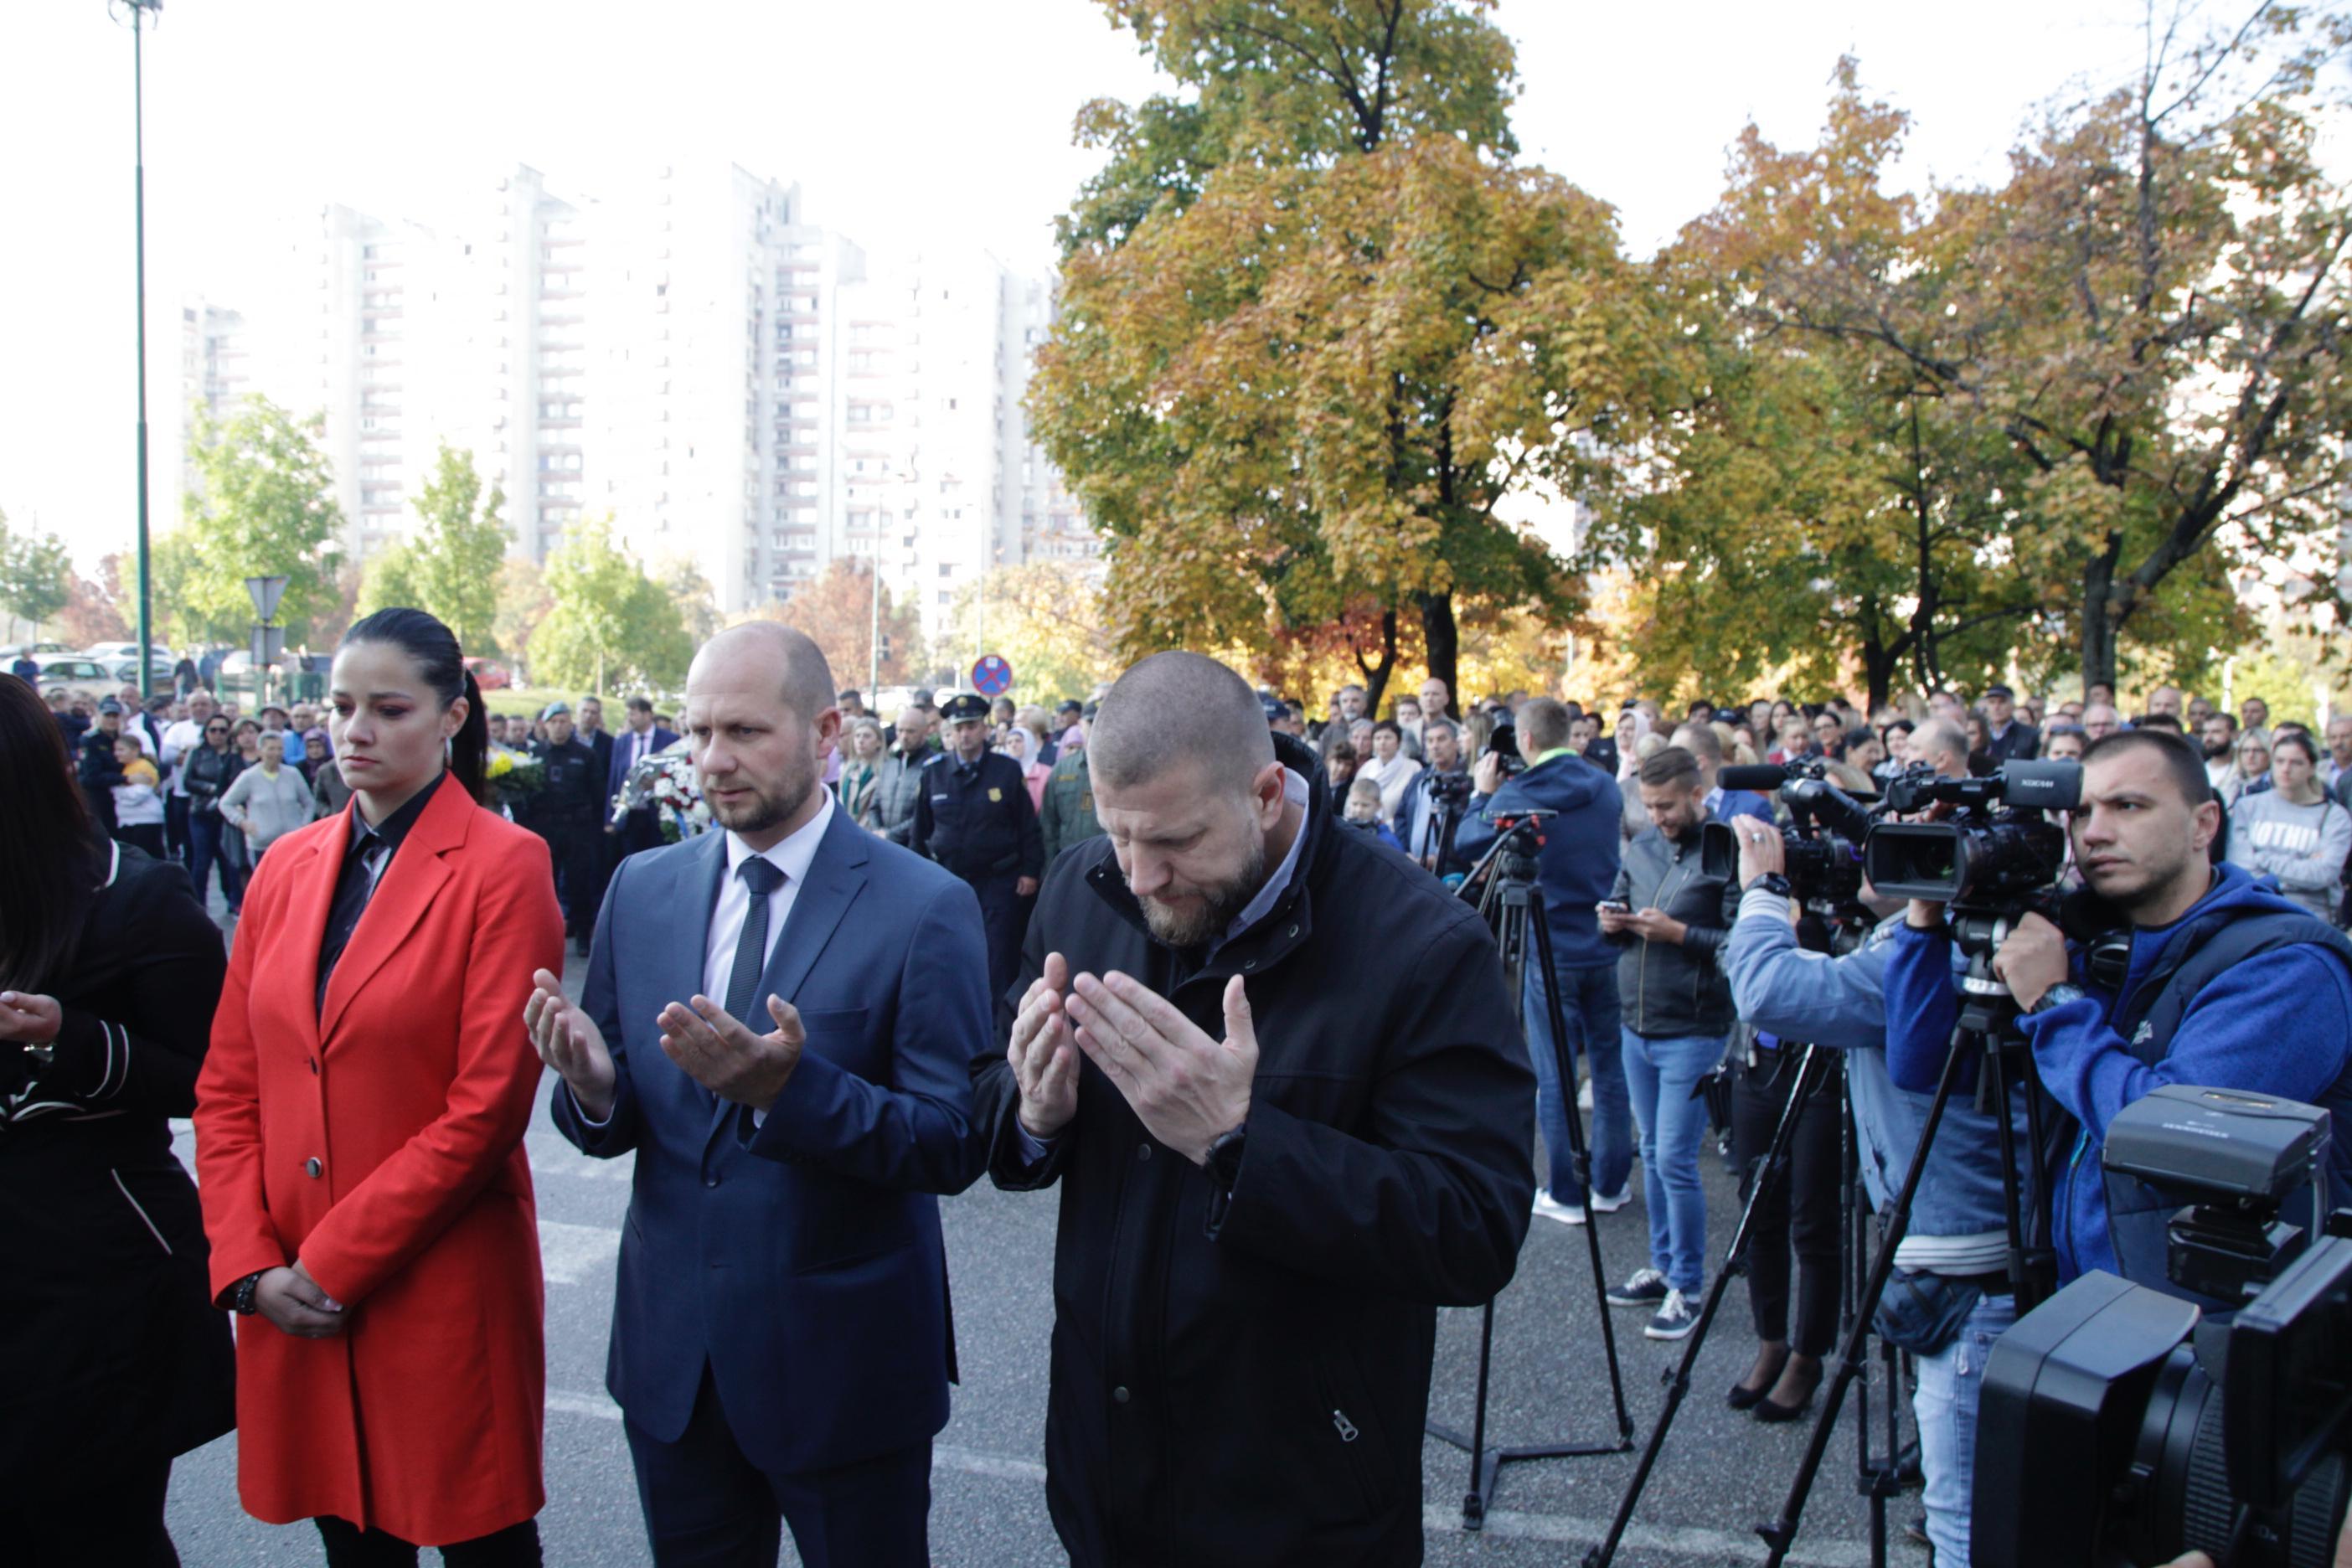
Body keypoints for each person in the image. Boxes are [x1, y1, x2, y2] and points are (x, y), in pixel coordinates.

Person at [972, 651, 1532, 1563]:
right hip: (1103, 1477)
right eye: (1120, 833)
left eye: (1177, 842)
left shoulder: (1423, 947)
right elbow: (994, 1102)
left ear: (1268, 793)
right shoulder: (1084, 890)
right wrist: (1035, 1113)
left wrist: (1241, 1143)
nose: (1142, 875)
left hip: (1302, 1506)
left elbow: (1474, 1228)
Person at [531, 622, 990, 1568]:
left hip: (847, 1375)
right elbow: (623, 1124)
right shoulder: (641, 889)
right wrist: (591, 1090)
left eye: (744, 731)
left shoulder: (924, 904)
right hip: (674, 1370)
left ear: (826, 733)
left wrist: (792, 1092)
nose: (712, 760)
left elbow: (952, 1141)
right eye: (697, 734)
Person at [194, 607, 565, 1565]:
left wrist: (327, 1263)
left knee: (481, 1538)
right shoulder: (284, 867)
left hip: (432, 1280)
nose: (354, 731)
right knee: (349, 1542)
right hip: (287, 1283)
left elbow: (486, 1109)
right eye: (340, 706)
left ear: (452, 716)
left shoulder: (503, 866)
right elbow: (230, 1086)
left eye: (388, 708)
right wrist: (247, 1264)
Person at [1884, 725, 2352, 1302]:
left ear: (2204, 824)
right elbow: (1922, 1069)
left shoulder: (2287, 967)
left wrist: (2054, 1003)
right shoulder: (2092, 942)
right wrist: (1923, 920)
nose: (2096, 832)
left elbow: (2175, 1146)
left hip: (2216, 1336)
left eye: (2128, 806)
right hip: (2090, 1310)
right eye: (2080, 813)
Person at [1723, 792, 2032, 1565]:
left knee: (1964, 1521)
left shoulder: (1923, 954)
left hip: (1963, 1266)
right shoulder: (2016, 933)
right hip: (1996, 1250)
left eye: (1901, 841)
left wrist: (1764, 891)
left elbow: (1768, 992)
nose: (1870, 850)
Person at [0, 676, 235, 1566]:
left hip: (99, 1283)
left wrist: (74, 1038)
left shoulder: (137, 900)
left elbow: (214, 1081)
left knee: (94, 1534)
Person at [1455, 697, 1632, 1223]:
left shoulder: (1518, 792)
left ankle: (1565, 1191)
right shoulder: (1604, 785)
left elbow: (1470, 842)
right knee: (1608, 1069)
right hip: (1606, 940)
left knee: (1555, 1071)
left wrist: (1481, 795)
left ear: (1526, 740)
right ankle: (1610, 1183)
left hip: (1548, 945)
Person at [1596, 747, 1741, 1342]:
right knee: (1652, 1151)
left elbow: (1741, 943)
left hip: (1694, 1025)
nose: (1658, 816)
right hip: (1637, 1018)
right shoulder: (1643, 844)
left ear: (1696, 794)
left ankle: (1689, 1283)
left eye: (1668, 805)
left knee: (1675, 1159)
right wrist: (1612, 921)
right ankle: (1663, 1265)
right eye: (1650, 806)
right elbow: (1618, 900)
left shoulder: (1724, 850)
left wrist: (1678, 933)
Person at [913, 693, 1044, 1003]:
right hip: (949, 880)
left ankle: (998, 1034)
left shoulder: (1006, 771)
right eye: (958, 728)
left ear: (985, 728)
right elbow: (921, 832)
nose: (965, 734)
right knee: (950, 954)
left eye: (971, 726)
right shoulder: (934, 773)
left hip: (998, 881)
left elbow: (1027, 826)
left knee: (997, 959)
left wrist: (1030, 871)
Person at [2229, 730, 2350, 924]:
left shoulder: (2334, 817)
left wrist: (2262, 857)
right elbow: (2240, 868)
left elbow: (2323, 874)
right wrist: (2300, 865)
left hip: (2310, 919)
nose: (2286, 769)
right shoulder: (2248, 807)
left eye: (2296, 762)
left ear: (2312, 768)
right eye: (2280, 761)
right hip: (2253, 912)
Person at [530, 701, 606, 957]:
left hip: (577, 828)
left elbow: (598, 794)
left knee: (579, 883)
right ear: (545, 725)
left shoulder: (586, 755)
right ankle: (543, 935)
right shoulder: (536, 755)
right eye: (554, 722)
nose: (559, 727)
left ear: (570, 724)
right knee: (544, 883)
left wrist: (594, 829)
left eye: (563, 721)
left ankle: (583, 935)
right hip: (545, 829)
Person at [218, 730, 317, 870]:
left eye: (279, 749)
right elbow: (226, 803)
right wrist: (242, 822)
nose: (276, 753)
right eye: (271, 749)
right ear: (260, 751)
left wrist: (304, 825)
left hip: (292, 842)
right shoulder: (249, 777)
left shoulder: (292, 774)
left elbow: (309, 802)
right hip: (262, 844)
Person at [183, 709, 248, 914]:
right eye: (213, 730)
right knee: (202, 860)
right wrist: (213, 789)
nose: (217, 734)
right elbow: (188, 781)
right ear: (206, 732)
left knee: (228, 860)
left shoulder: (234, 756)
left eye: (222, 730)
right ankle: (197, 903)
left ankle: (233, 900)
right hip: (202, 812)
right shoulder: (197, 753)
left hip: (226, 815)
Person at [1396, 717, 1470, 872]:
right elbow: (1401, 815)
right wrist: (1406, 852)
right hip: (1414, 864)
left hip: (1452, 869)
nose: (1435, 746)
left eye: (1441, 739)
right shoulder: (1419, 778)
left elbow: (1467, 826)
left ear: (1456, 743)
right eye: (1430, 741)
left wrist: (1442, 857)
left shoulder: (1467, 780)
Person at [609, 696, 681, 856]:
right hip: (630, 816)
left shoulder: (669, 740)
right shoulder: (622, 742)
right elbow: (614, 778)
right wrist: (610, 816)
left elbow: (677, 774)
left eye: (633, 713)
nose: (629, 718)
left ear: (648, 715)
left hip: (658, 815)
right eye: (628, 714)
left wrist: (658, 783)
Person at [158, 688, 218, 869]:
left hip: (216, 798)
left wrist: (188, 755)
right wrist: (195, 760)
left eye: (204, 704)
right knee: (190, 846)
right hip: (185, 796)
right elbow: (167, 755)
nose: (199, 708)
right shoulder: (178, 729)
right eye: (195, 704)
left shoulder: (219, 728)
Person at [1039, 705, 1104, 866]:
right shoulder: (1062, 768)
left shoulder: (1127, 768)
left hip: (1111, 865)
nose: (1097, 726)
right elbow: (1048, 824)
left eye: (1103, 720)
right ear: (1081, 725)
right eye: (1091, 722)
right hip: (1070, 863)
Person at [873, 704, 936, 846]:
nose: (904, 736)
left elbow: (926, 814)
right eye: (900, 731)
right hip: (883, 843)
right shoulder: (891, 763)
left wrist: (891, 835)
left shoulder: (934, 767)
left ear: (925, 732)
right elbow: (875, 805)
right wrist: (878, 831)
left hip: (913, 847)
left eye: (911, 731)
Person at [1356, 719, 1421, 827]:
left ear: (1399, 742)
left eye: (1388, 737)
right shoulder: (1367, 767)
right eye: (1378, 738)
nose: (1382, 742)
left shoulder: (1413, 767)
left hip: (1398, 828)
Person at [111, 733, 168, 856]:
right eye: (116, 750)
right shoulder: (126, 768)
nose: (117, 753)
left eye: (121, 750)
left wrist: (119, 791)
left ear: (135, 750)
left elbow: (138, 795)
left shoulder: (143, 766)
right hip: (129, 820)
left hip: (146, 819)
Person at [836, 714, 886, 827]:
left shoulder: (884, 771)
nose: (861, 740)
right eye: (857, 736)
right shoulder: (847, 770)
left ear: (879, 742)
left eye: (867, 736)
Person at [1340, 771, 1406, 850]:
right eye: (1354, 804)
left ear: (1378, 806)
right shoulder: (1341, 833)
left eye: (1365, 805)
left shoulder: (1386, 840)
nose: (1359, 810)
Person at [1981, 683, 2040, 762]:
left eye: (2002, 702)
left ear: (2013, 705)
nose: (1996, 707)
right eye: (1992, 702)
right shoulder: (1979, 734)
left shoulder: (2029, 736)